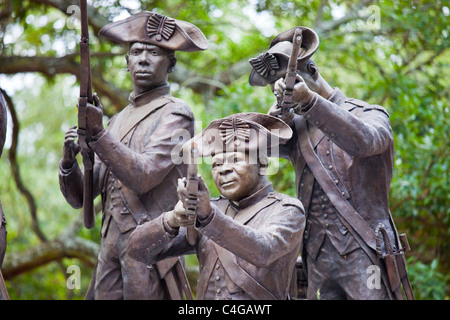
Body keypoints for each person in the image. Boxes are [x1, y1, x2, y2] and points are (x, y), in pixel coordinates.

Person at [248, 26, 412, 300]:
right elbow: (254, 154)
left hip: (366, 250)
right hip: (317, 254)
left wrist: (310, 102)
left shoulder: (368, 114)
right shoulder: (295, 127)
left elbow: (365, 141)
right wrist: (276, 118)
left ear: (311, 72)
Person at [59, 11, 207, 299]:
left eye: (154, 52)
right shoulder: (115, 120)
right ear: (127, 63)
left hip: (152, 247)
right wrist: (69, 163)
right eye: (136, 51)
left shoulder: (176, 113)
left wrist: (99, 135)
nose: (142, 58)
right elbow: (81, 198)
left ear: (171, 63)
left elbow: (144, 175)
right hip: (109, 248)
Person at [127, 113, 305, 300]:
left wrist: (209, 217)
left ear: (262, 164)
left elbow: (264, 251)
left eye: (235, 160)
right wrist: (173, 219)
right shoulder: (209, 209)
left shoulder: (287, 209)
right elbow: (136, 250)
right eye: (216, 164)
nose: (224, 169)